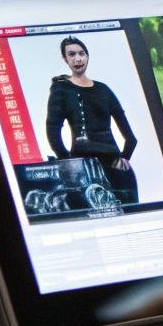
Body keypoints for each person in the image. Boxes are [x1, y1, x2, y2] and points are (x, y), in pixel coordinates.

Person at [43, 35, 140, 203]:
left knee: (131, 217)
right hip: (84, 169)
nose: (77, 58)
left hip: (114, 167)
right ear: (65, 59)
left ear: (88, 56)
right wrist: (68, 161)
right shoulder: (61, 89)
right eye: (72, 54)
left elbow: (131, 139)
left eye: (81, 53)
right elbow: (53, 128)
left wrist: (121, 162)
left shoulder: (103, 89)